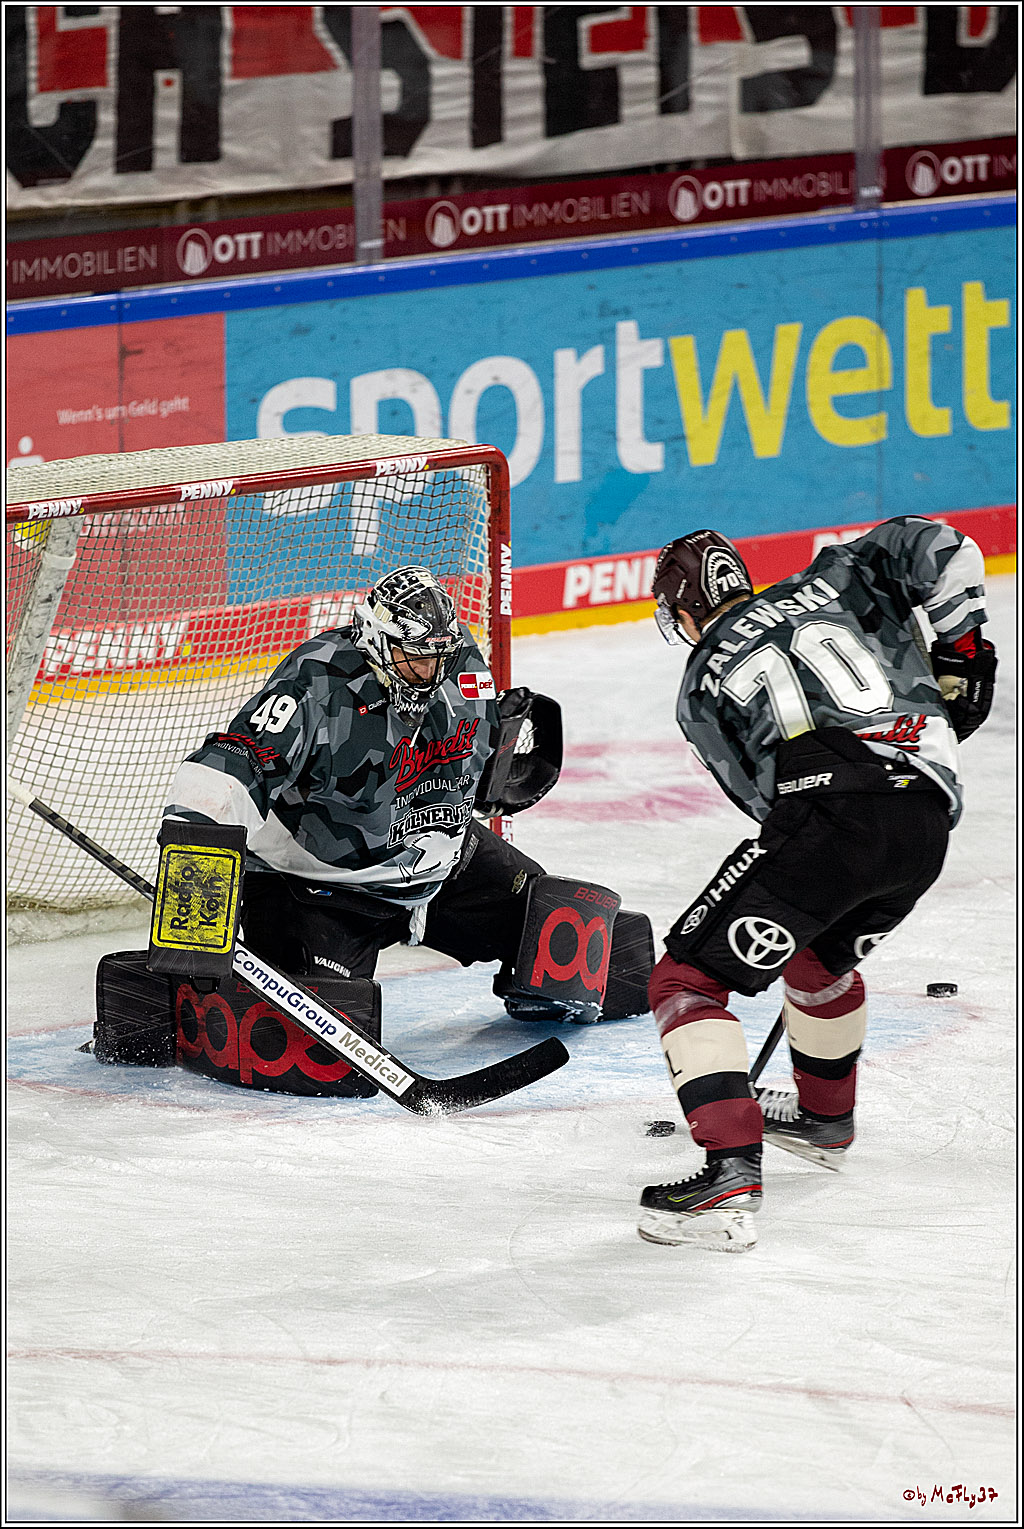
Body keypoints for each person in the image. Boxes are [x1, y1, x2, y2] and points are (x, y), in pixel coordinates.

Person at [638, 519, 997, 1252]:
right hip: (926, 818)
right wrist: (965, 651)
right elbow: (941, 544)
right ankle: (825, 1121)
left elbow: (765, 802)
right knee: (815, 962)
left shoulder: (701, 681)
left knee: (684, 979)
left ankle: (729, 1170)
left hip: (834, 814)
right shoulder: (833, 577)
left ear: (681, 614)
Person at [160, 565, 652, 1093]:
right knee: (318, 1045)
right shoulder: (319, 680)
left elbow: (476, 749)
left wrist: (494, 772)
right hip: (320, 888)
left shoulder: (456, 659)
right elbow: (233, 763)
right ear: (375, 640)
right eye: (414, 656)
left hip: (439, 862)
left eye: (437, 655)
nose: (429, 668)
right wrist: (194, 868)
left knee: (577, 941)